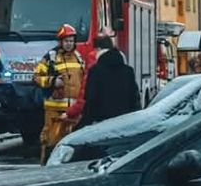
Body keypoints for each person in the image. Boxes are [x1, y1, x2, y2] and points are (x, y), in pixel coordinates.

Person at [34, 24, 85, 163]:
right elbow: (36, 77)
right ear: (61, 41)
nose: (69, 44)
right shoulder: (51, 57)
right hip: (54, 110)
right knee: (51, 141)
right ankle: (47, 167)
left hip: (73, 111)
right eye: (66, 41)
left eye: (71, 41)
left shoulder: (78, 58)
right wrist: (52, 81)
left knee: (72, 144)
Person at [73, 35, 140, 129]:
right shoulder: (128, 71)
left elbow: (90, 102)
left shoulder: (95, 71)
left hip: (101, 126)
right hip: (125, 126)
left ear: (97, 50)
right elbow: (135, 101)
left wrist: (79, 127)